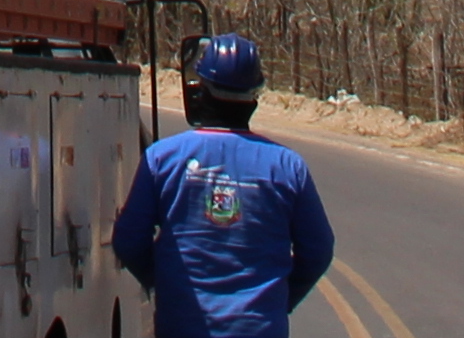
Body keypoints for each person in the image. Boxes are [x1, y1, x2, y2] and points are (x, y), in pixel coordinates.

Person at [110, 34, 334, 338]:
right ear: (254, 97)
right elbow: (318, 250)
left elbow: (128, 240)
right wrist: (279, 301)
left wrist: (162, 283)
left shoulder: (161, 160)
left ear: (200, 91)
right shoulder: (287, 167)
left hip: (182, 326)